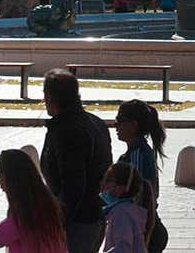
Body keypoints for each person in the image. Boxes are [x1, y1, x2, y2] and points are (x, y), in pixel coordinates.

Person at [40, 68, 112, 253]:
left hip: (77, 223)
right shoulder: (94, 121)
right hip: (95, 216)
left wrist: (59, 224)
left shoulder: (66, 131)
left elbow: (73, 185)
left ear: (49, 96)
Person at [115, 100, 169, 252]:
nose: (116, 127)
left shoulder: (138, 154)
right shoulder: (135, 152)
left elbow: (137, 194)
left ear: (133, 125)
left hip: (143, 230)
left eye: (119, 122)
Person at [100, 162, 155, 253]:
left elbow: (124, 247)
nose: (102, 183)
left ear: (120, 188)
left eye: (107, 180)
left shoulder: (121, 212)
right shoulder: (130, 209)